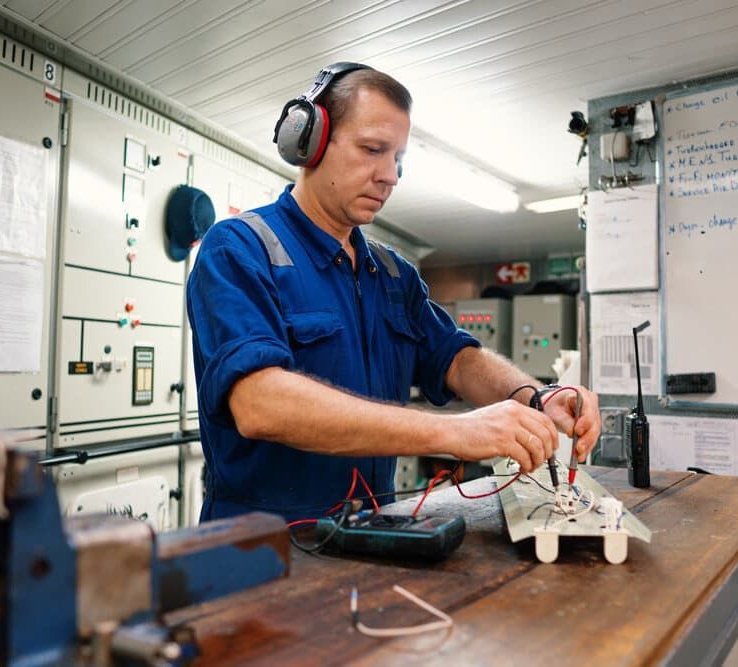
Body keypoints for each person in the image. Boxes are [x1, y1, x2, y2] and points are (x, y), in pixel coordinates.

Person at [187, 63, 601, 522]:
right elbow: (260, 404)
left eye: (397, 158)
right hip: (266, 546)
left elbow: (456, 358)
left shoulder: (392, 274)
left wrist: (537, 396)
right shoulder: (240, 248)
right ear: (310, 141)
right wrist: (456, 432)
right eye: (372, 150)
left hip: (370, 535)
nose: (390, 176)